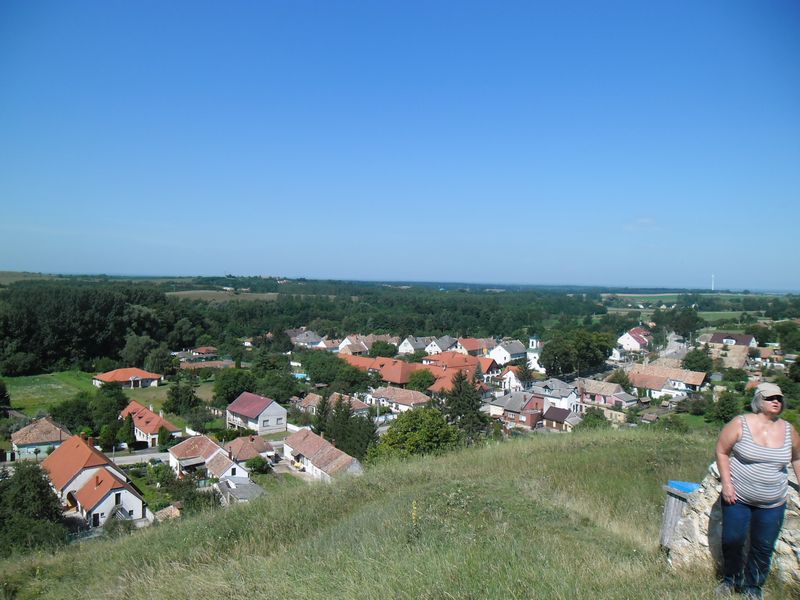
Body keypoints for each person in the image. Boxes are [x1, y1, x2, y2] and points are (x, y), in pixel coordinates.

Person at [715, 382, 800, 598]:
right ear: (758, 401)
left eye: (779, 398)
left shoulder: (789, 430)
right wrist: (727, 484)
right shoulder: (740, 424)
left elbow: (797, 458)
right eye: (770, 398)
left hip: (773, 503)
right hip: (738, 498)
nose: (776, 401)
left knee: (763, 547)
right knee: (733, 540)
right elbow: (722, 451)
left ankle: (753, 588)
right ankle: (731, 580)